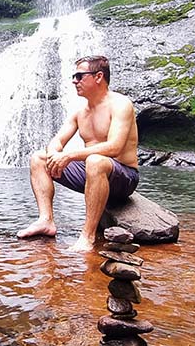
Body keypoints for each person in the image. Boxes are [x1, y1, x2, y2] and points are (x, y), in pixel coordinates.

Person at [16, 55, 139, 252]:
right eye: (74, 76)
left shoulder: (120, 104)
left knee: (95, 161)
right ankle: (46, 221)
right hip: (92, 173)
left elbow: (114, 147)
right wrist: (56, 155)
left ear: (98, 76)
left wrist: (69, 156)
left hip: (123, 177)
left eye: (79, 76)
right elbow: (57, 140)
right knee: (39, 158)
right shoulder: (80, 111)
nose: (74, 81)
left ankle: (87, 236)